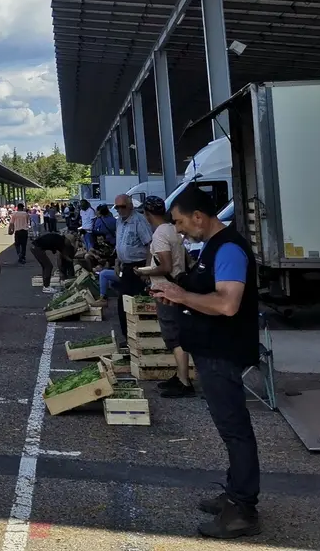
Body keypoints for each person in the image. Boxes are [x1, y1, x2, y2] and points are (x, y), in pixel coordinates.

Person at [152, 187, 260, 540]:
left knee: (235, 430)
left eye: (181, 222)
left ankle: (242, 508)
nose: (179, 230)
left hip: (222, 352)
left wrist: (182, 295)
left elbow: (228, 304)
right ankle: (235, 493)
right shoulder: (214, 247)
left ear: (199, 216)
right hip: (212, 350)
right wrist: (179, 295)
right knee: (230, 428)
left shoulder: (228, 248)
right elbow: (207, 295)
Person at [135, 196, 193, 398]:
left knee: (173, 337)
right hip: (178, 287)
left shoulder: (160, 234)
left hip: (166, 290)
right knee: (177, 333)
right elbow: (184, 260)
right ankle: (180, 376)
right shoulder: (173, 229)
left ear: (147, 214)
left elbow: (166, 266)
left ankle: (184, 382)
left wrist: (143, 272)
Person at [107, 194, 153, 349]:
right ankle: (128, 338)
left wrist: (146, 269)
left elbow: (150, 245)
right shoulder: (120, 221)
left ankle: (139, 339)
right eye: (117, 207)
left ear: (130, 206)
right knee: (124, 304)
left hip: (138, 266)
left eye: (123, 207)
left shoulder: (139, 221)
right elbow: (120, 244)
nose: (120, 210)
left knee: (136, 303)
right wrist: (117, 261)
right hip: (125, 266)